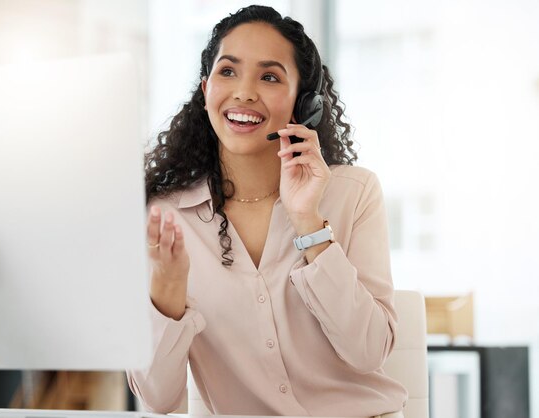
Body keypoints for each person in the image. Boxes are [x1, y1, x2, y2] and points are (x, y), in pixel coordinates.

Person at [127, 5, 408, 418]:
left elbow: (367, 352)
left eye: (270, 76)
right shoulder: (164, 218)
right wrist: (167, 291)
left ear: (304, 104)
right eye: (228, 71)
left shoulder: (353, 193)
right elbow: (156, 398)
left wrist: (308, 220)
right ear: (205, 90)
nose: (243, 92)